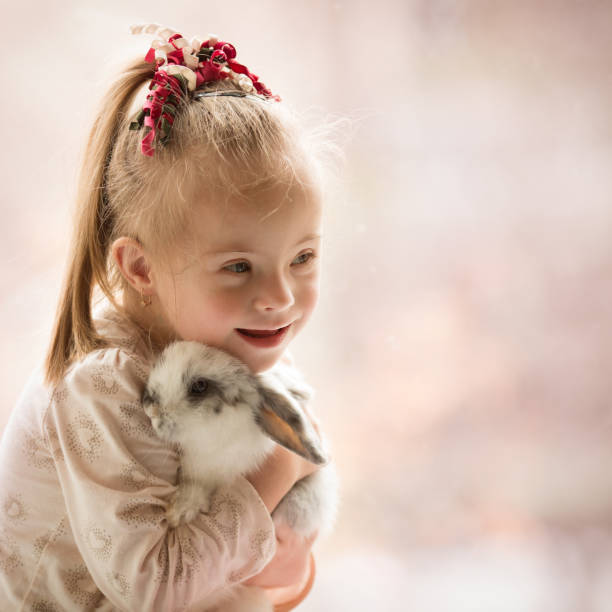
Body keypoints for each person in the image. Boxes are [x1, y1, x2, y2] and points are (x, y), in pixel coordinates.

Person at [0, 23, 329, 611]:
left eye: (302, 257)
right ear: (141, 269)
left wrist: (290, 564)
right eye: (237, 267)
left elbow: (278, 557)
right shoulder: (100, 388)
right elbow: (157, 589)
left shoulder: (230, 344)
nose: (280, 295)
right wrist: (280, 464)